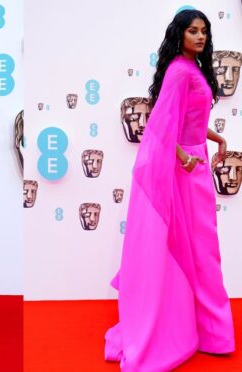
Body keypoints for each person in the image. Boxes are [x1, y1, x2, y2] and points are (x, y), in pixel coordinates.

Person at [105, 10, 235, 371]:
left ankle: (209, 331)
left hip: (197, 163)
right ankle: (208, 333)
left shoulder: (192, 69)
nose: (200, 36)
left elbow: (191, 120)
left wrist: (216, 136)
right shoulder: (179, 71)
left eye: (204, 31)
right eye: (193, 31)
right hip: (185, 170)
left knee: (200, 249)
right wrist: (185, 158)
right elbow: (162, 129)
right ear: (179, 35)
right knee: (198, 249)